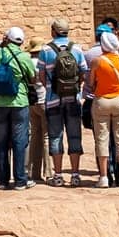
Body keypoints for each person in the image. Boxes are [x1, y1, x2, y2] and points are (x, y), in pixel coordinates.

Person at [39, 19, 86, 187]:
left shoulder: (46, 50)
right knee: (74, 136)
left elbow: (42, 75)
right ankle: (75, 174)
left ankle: (58, 175)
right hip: (73, 99)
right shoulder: (77, 49)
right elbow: (83, 73)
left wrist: (52, 88)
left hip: (53, 100)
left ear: (53, 31)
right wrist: (75, 87)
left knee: (55, 136)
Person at [0, 26, 37, 190]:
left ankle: (2, 180)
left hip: (0, 102)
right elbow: (32, 77)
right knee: (19, 141)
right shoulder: (24, 56)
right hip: (19, 101)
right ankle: (20, 180)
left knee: (1, 142)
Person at [87, 30, 119, 188]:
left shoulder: (97, 61)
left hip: (102, 100)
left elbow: (91, 83)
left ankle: (104, 176)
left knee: (102, 139)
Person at [27, 42, 50, 185]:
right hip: (44, 100)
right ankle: (48, 172)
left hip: (31, 101)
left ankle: (33, 172)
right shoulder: (43, 63)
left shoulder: (28, 62)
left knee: (34, 136)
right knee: (46, 137)